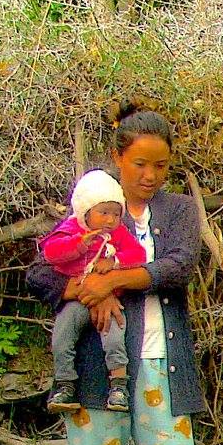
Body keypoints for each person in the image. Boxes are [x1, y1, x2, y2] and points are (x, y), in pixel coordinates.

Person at [27, 106, 212, 445]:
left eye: (161, 166)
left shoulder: (177, 212)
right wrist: (87, 290)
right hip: (97, 367)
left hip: (161, 361)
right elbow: (42, 272)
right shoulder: (91, 210)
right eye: (139, 165)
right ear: (117, 158)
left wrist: (112, 280)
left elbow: (177, 266)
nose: (150, 176)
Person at [43, 169, 146, 414]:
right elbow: (50, 253)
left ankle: (119, 387)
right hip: (78, 298)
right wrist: (79, 246)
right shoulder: (71, 229)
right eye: (103, 213)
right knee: (63, 333)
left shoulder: (118, 234)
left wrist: (115, 262)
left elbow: (138, 255)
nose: (110, 220)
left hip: (109, 300)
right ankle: (64, 384)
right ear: (86, 212)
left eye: (115, 213)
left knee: (113, 336)